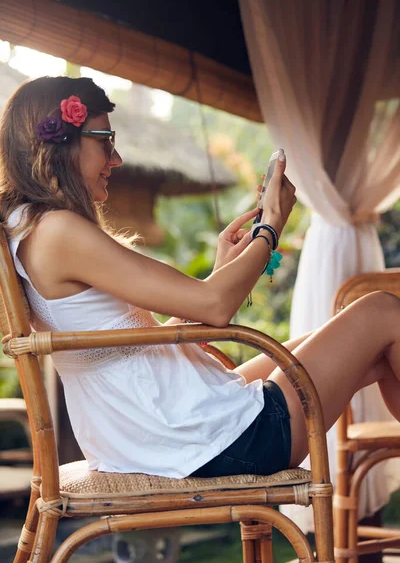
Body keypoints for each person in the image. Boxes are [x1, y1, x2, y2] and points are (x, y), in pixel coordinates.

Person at [0, 76, 399, 480]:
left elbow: (144, 339)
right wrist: (271, 227)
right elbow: (215, 306)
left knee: (371, 346)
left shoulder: (30, 229)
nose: (116, 158)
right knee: (382, 311)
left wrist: (223, 272)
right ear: (62, 142)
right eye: (105, 139)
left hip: (163, 433)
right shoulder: (57, 231)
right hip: (204, 442)